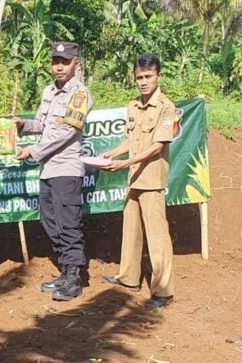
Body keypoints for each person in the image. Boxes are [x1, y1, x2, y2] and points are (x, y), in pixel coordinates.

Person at [14, 42, 93, 301]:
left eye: (65, 61)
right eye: (55, 61)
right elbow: (43, 124)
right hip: (47, 169)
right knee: (49, 220)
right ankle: (65, 269)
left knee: (68, 222)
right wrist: (23, 125)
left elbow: (67, 132)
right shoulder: (49, 90)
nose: (59, 66)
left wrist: (34, 151)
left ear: (76, 64)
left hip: (66, 168)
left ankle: (74, 276)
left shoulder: (79, 94)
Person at [99, 54, 176, 309]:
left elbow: (157, 147)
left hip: (152, 181)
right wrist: (112, 153)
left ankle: (163, 291)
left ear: (158, 76)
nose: (143, 82)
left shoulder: (166, 107)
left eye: (148, 77)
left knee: (157, 237)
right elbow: (132, 140)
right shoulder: (132, 106)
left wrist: (125, 164)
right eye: (139, 78)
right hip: (134, 180)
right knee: (130, 231)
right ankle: (129, 277)